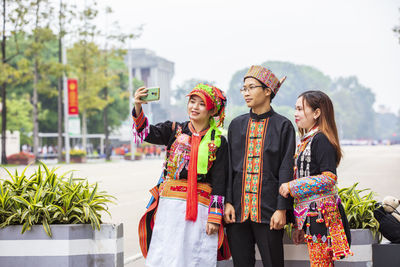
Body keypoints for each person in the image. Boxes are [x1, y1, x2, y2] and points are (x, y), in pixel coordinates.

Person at [134, 84, 230, 267]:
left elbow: (220, 180)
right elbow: (145, 132)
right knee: (166, 253)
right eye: (192, 102)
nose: (194, 107)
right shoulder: (174, 130)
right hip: (170, 207)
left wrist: (215, 217)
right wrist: (138, 107)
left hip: (201, 209)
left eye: (201, 104)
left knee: (194, 254)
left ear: (211, 110)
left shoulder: (217, 141)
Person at [224, 65, 295, 267]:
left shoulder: (283, 126)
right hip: (238, 212)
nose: (246, 93)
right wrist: (228, 202)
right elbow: (229, 168)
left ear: (267, 91)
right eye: (243, 88)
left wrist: (281, 209)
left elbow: (285, 169)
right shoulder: (236, 125)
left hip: (269, 212)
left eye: (251, 87)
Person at [279, 90, 352, 266]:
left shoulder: (320, 139)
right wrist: (299, 226)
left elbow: (329, 178)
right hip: (312, 216)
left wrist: (292, 186)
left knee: (321, 264)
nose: (295, 114)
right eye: (295, 109)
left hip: (322, 215)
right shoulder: (308, 139)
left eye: (300, 109)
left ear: (317, 113)